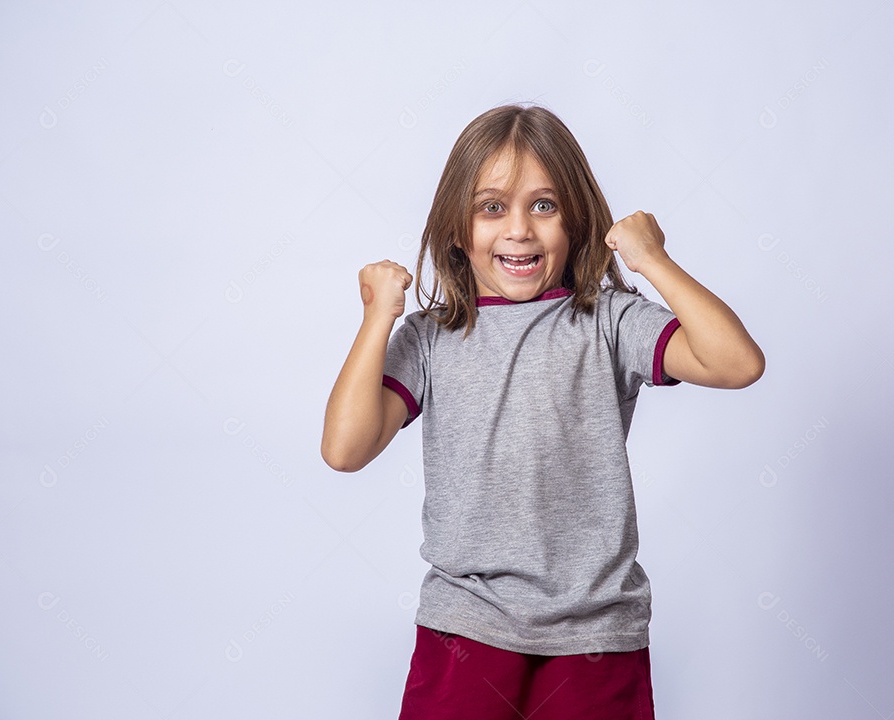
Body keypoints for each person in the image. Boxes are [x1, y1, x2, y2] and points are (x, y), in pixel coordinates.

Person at [321, 103, 765, 720]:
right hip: (465, 624)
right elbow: (345, 449)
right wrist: (377, 319)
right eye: (492, 207)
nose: (520, 230)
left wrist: (653, 262)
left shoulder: (609, 321)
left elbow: (736, 363)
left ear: (576, 220)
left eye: (544, 205)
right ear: (457, 227)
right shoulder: (430, 338)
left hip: (595, 632)